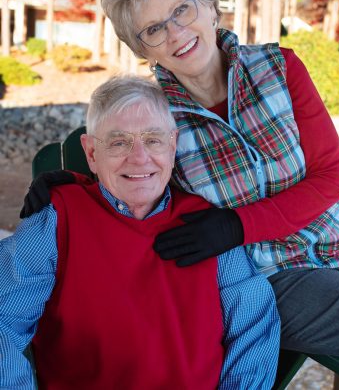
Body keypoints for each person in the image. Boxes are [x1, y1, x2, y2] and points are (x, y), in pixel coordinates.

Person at [22, 0, 339, 358]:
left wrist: (237, 224)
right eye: (153, 29)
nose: (176, 33)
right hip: (269, 275)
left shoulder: (280, 67)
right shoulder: (158, 116)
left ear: (210, 6)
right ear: (142, 49)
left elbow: (329, 178)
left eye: (182, 10)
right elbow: (130, 177)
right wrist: (67, 182)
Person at [0, 76, 280, 390]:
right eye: (119, 142)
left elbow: (254, 325)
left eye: (153, 140)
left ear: (173, 146)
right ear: (91, 153)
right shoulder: (57, 220)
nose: (139, 157)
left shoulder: (208, 225)